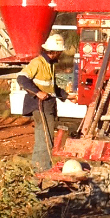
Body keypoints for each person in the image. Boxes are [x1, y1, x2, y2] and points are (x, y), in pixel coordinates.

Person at [16, 32, 68, 172]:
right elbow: (21, 78)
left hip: (48, 106)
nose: (61, 54)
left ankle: (41, 168)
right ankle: (41, 170)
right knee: (45, 140)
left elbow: (51, 87)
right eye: (60, 52)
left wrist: (66, 96)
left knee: (45, 139)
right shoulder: (38, 63)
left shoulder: (50, 64)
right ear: (55, 52)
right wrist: (38, 92)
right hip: (40, 107)